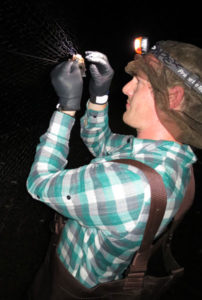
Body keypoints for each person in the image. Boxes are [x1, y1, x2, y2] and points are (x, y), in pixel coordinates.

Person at [26, 40, 202, 289]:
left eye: (139, 82)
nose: (126, 88)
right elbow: (99, 141)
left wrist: (66, 108)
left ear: (174, 97)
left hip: (70, 282)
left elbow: (39, 182)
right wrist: (99, 95)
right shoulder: (172, 158)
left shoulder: (131, 184)